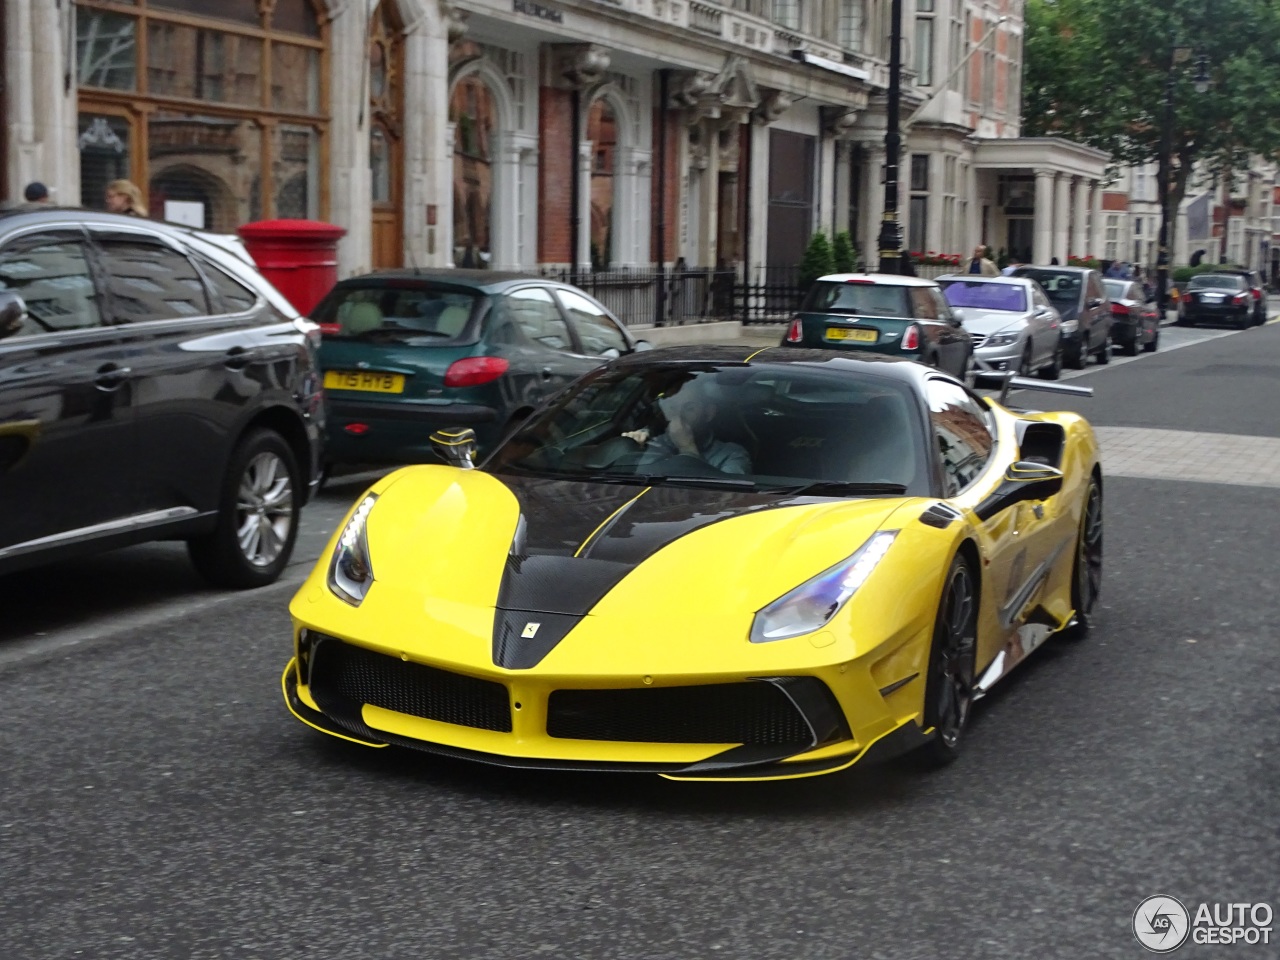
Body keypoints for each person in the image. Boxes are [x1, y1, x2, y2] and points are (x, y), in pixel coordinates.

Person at [623, 378, 751, 474]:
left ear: (708, 413)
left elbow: (723, 498)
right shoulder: (650, 445)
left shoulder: (731, 455)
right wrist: (631, 450)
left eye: (689, 409)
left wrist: (687, 449)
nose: (678, 416)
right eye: (672, 407)